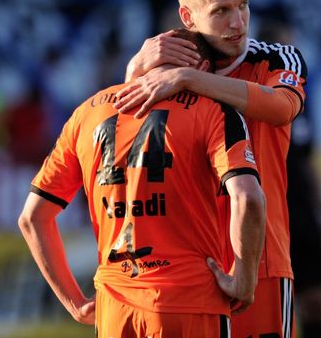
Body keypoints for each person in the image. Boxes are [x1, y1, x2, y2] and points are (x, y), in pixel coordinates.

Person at [18, 29, 266, 337]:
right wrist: (244, 279)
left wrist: (74, 302)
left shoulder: (87, 113)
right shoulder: (214, 111)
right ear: (202, 71)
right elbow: (248, 199)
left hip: (115, 309)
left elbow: (32, 217)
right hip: (190, 301)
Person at [115, 0, 308, 338]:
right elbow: (121, 141)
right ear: (188, 17)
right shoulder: (160, 67)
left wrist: (188, 79)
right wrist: (133, 72)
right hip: (187, 269)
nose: (238, 23)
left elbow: (282, 107)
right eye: (221, 10)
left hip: (260, 264)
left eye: (243, 5)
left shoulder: (275, 58)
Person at [261, 19, 321, 338]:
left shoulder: (298, 98)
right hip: (268, 213)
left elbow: (307, 159)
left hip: (301, 212)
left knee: (315, 300)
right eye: (287, 45)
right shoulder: (247, 97)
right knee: (272, 309)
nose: (294, 55)